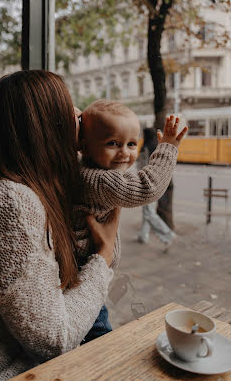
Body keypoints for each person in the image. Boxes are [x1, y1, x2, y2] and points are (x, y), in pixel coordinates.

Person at [0, 70, 121, 381]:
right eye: (68, 106)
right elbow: (54, 339)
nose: (80, 114)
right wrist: (103, 255)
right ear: (49, 125)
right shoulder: (9, 201)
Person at [73, 100, 187, 340]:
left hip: (86, 274)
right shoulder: (99, 180)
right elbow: (149, 187)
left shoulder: (87, 171)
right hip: (82, 278)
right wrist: (167, 148)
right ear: (83, 145)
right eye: (112, 143)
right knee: (101, 339)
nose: (124, 152)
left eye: (131, 144)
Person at [137, 127, 177, 247]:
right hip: (156, 184)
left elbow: (142, 168)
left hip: (146, 185)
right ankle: (143, 236)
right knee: (148, 211)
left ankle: (167, 234)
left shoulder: (145, 148)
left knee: (148, 213)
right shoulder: (156, 146)